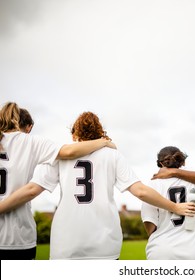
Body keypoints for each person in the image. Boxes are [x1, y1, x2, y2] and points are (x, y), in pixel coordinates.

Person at [0, 112, 195, 260]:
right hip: (105, 243)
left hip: (66, 243)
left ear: (75, 134)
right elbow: (140, 191)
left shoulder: (59, 156)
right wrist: (175, 207)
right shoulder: (112, 154)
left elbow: (32, 189)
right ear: (100, 132)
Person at [0, 102, 116, 260]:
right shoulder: (30, 142)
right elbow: (68, 152)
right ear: (29, 127)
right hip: (17, 238)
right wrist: (104, 142)